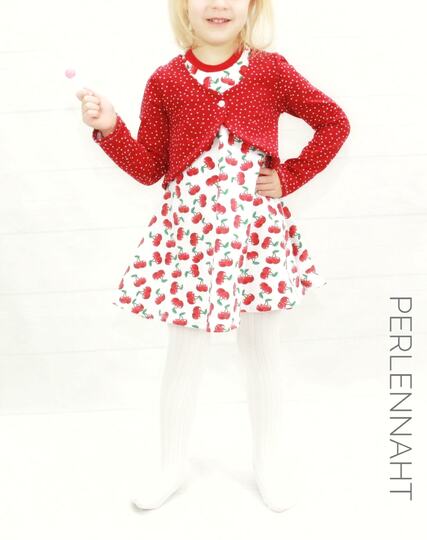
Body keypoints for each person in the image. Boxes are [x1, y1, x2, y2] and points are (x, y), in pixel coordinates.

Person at [76, 0, 350, 512]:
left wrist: (289, 176)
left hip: (255, 236)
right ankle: (171, 465)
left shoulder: (270, 71)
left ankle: (268, 463)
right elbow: (149, 167)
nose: (219, 4)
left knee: (262, 350)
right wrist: (111, 128)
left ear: (252, 7)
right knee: (185, 351)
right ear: (184, 7)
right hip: (191, 240)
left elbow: (334, 122)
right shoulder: (166, 81)